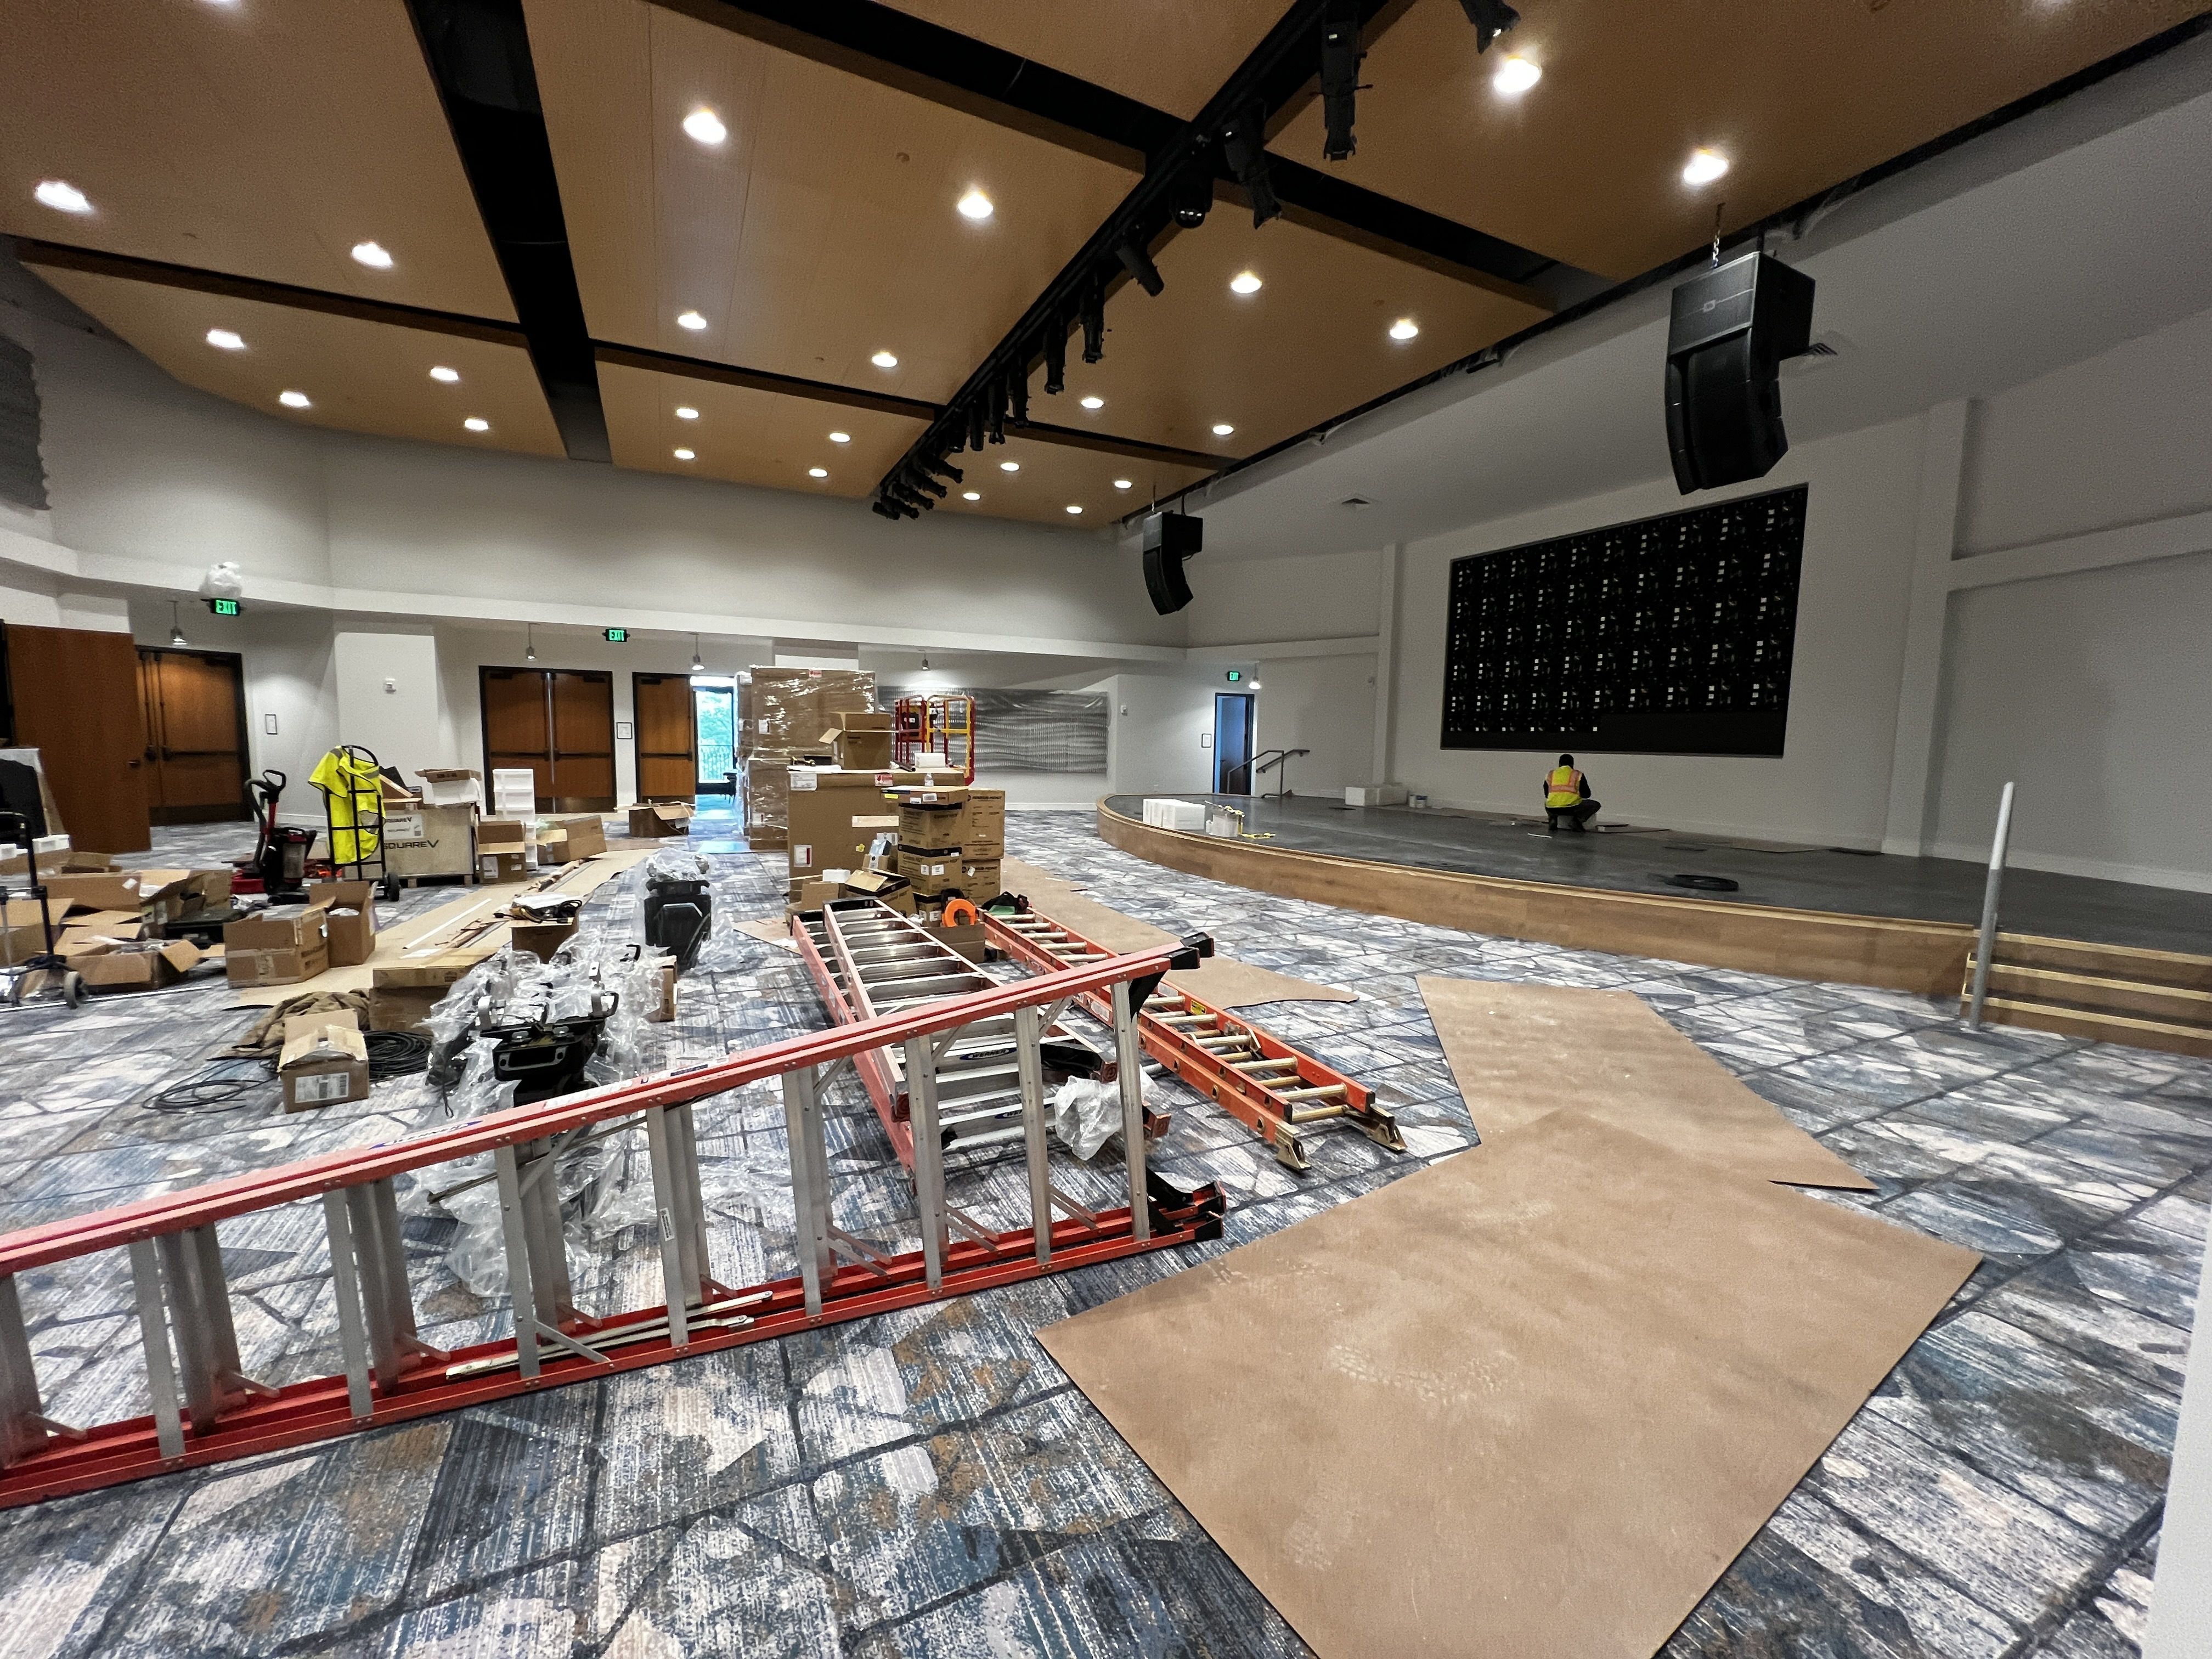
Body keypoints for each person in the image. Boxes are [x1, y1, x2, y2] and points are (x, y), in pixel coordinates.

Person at [1543, 754, 1600, 832]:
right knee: (1595, 805)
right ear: (1572, 764)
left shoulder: (1551, 774)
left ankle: (1553, 819)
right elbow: (1586, 794)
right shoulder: (1577, 774)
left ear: (1559, 764)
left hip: (1552, 808)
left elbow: (1547, 794)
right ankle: (1576, 821)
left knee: (1547, 802)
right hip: (1571, 808)